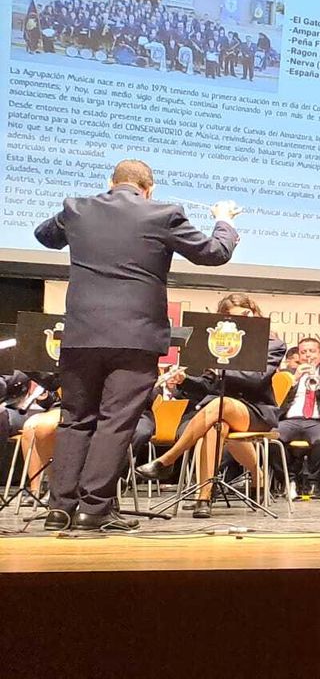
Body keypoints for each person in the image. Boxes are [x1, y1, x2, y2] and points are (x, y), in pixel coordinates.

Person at [33, 159, 239, 531]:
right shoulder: (163, 214)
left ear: (111, 182)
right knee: (115, 422)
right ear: (149, 188)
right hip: (135, 338)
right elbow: (214, 253)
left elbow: (44, 236)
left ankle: (59, 509)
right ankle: (93, 509)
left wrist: (73, 216)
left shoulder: (77, 208)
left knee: (74, 420)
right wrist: (224, 220)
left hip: (81, 336)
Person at [135, 293, 285, 518]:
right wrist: (184, 380)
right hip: (220, 410)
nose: (246, 319)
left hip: (256, 410)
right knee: (217, 426)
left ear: (256, 312)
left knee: (218, 406)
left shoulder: (273, 344)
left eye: (248, 313)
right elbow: (207, 385)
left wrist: (220, 370)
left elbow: (257, 379)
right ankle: (204, 498)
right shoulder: (218, 343)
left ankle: (168, 459)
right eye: (238, 317)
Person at [276, 337, 320, 499]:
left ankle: (315, 483)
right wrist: (294, 380)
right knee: (273, 437)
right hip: (290, 420)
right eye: (303, 352)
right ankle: (289, 480)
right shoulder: (288, 374)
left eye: (312, 351)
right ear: (299, 356)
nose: (308, 355)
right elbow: (276, 401)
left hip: (318, 422)